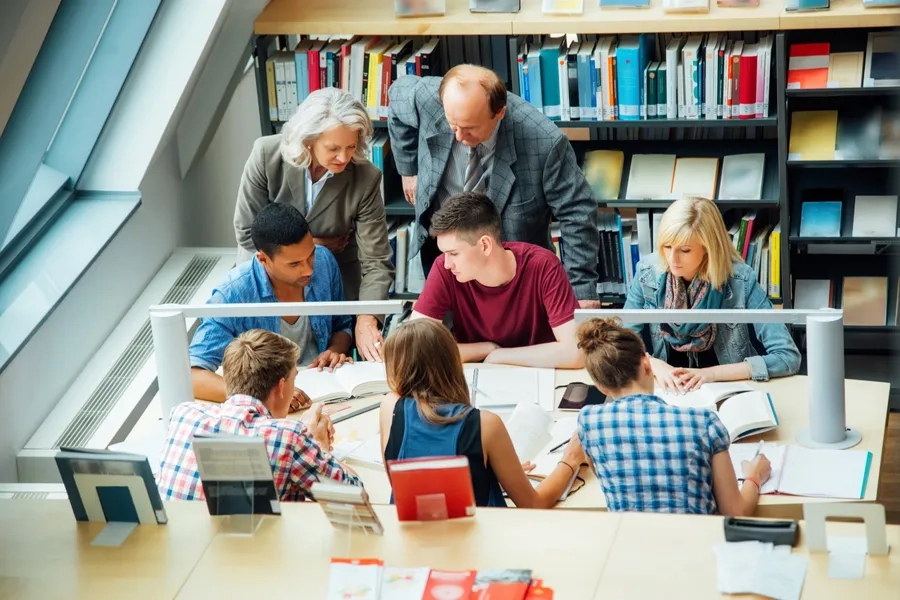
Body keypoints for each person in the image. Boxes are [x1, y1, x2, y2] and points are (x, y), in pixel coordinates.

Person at [387, 64, 601, 308]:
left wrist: (582, 289)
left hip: (511, 271)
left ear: (499, 112)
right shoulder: (428, 97)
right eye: (452, 124)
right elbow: (396, 96)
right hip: (444, 255)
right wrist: (408, 169)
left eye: (469, 128)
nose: (458, 136)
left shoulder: (545, 142)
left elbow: (578, 211)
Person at [234, 87, 393, 362]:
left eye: (351, 146)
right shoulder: (266, 155)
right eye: (333, 148)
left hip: (335, 280)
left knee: (335, 357)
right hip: (267, 272)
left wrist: (367, 318)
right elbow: (247, 232)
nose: (344, 158)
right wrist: (316, 246)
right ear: (308, 140)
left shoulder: (366, 178)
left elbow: (376, 261)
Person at [379, 318, 586, 508]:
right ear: (452, 361)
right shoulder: (485, 424)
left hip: (411, 539)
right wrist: (570, 460)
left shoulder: (389, 407)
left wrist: (481, 474)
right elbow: (533, 504)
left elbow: (410, 483)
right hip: (477, 541)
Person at [575, 318, 772, 516]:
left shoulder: (588, 423)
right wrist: (754, 477)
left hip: (628, 543)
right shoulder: (704, 423)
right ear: (647, 364)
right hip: (694, 542)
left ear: (601, 387)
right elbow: (735, 512)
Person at [158, 329, 360, 502]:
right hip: (245, 546)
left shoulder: (183, 414)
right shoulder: (288, 438)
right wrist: (319, 446)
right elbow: (352, 495)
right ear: (281, 386)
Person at [624, 196, 801, 391]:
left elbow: (787, 357)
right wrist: (654, 364)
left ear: (708, 248)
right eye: (667, 247)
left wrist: (710, 374)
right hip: (668, 392)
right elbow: (619, 345)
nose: (672, 258)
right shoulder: (646, 272)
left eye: (685, 249)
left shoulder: (741, 280)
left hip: (725, 393)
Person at [190, 203, 353, 406]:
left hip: (326, 393)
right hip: (269, 410)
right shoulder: (233, 294)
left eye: (310, 255)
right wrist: (260, 395)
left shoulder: (325, 261)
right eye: (294, 264)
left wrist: (334, 350)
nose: (308, 270)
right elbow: (193, 375)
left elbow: (343, 325)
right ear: (263, 259)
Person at [410, 192, 583, 369]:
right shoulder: (445, 269)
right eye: (444, 253)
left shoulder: (544, 266)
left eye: (454, 253)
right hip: (473, 376)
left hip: (540, 376)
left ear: (485, 245)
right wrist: (487, 349)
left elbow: (576, 352)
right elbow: (415, 348)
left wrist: (501, 356)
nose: (446, 263)